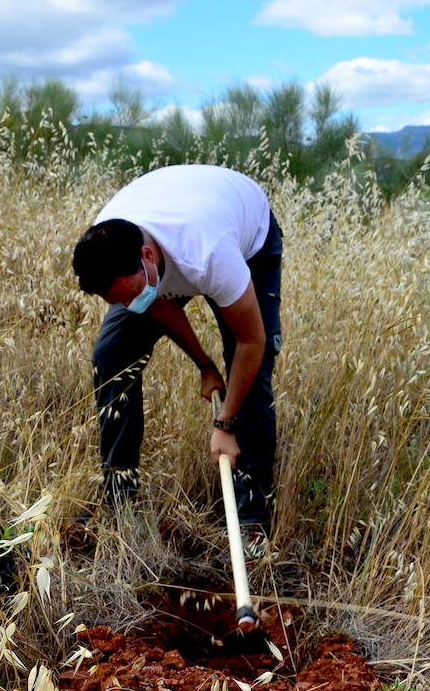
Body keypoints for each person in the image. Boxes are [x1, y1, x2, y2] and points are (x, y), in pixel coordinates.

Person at [72, 163, 283, 553]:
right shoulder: (111, 246)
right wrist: (204, 365)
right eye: (117, 301)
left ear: (147, 255)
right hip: (177, 226)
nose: (127, 305)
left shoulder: (209, 253)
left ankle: (251, 518)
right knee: (112, 353)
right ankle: (119, 495)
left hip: (246, 234)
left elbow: (251, 341)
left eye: (129, 292)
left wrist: (226, 421)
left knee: (250, 371)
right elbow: (156, 303)